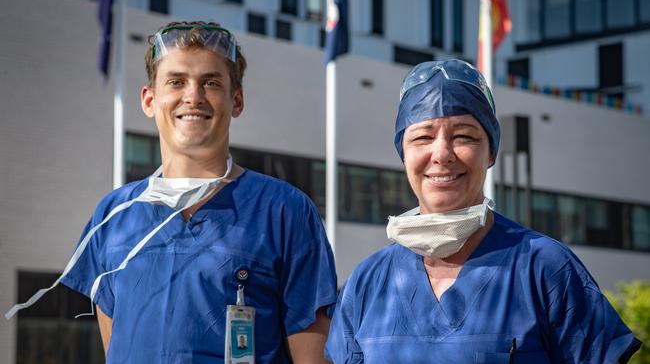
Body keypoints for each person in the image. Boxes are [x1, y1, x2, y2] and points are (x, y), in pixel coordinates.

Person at [10, 21, 337, 363]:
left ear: (236, 101)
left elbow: (312, 357)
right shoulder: (113, 216)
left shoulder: (284, 211)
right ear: (150, 100)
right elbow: (118, 349)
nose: (193, 95)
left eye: (210, 82)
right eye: (176, 81)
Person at [324, 59, 641, 363]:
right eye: (422, 137)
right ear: (403, 154)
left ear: (490, 152)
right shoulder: (367, 282)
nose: (442, 153)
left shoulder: (546, 269)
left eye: (464, 136)